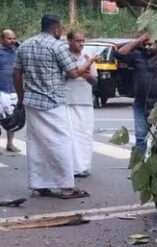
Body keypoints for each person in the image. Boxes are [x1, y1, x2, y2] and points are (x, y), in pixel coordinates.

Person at [13, 14, 97, 199]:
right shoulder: (57, 47)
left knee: (37, 144)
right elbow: (74, 73)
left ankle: (39, 186)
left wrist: (21, 98)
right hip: (54, 101)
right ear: (56, 28)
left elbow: (17, 74)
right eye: (60, 28)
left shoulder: (25, 45)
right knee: (61, 143)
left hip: (32, 102)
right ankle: (66, 187)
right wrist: (89, 62)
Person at [65, 31, 96, 178]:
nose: (81, 44)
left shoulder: (88, 56)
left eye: (83, 41)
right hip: (67, 101)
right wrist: (80, 71)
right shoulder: (64, 55)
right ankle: (70, 167)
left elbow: (94, 80)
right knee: (69, 136)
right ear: (69, 41)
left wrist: (86, 74)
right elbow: (66, 75)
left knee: (85, 135)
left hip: (85, 101)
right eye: (78, 41)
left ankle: (83, 167)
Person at [0, 29, 20, 153]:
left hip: (13, 91)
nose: (12, 41)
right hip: (0, 91)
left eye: (13, 38)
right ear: (2, 39)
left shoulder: (18, 53)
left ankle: (10, 144)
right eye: (9, 38)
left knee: (12, 119)